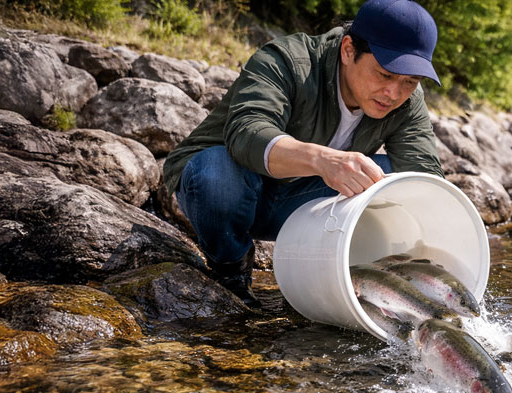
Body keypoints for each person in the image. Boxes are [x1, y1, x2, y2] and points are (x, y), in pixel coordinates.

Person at [163, 0, 443, 307]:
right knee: (215, 174)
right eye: (384, 74)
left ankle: (329, 278)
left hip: (300, 205)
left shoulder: (406, 100)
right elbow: (248, 131)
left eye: (409, 81)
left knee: (399, 179)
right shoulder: (286, 60)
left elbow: (428, 183)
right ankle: (231, 268)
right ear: (348, 50)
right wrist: (322, 160)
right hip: (231, 186)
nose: (394, 93)